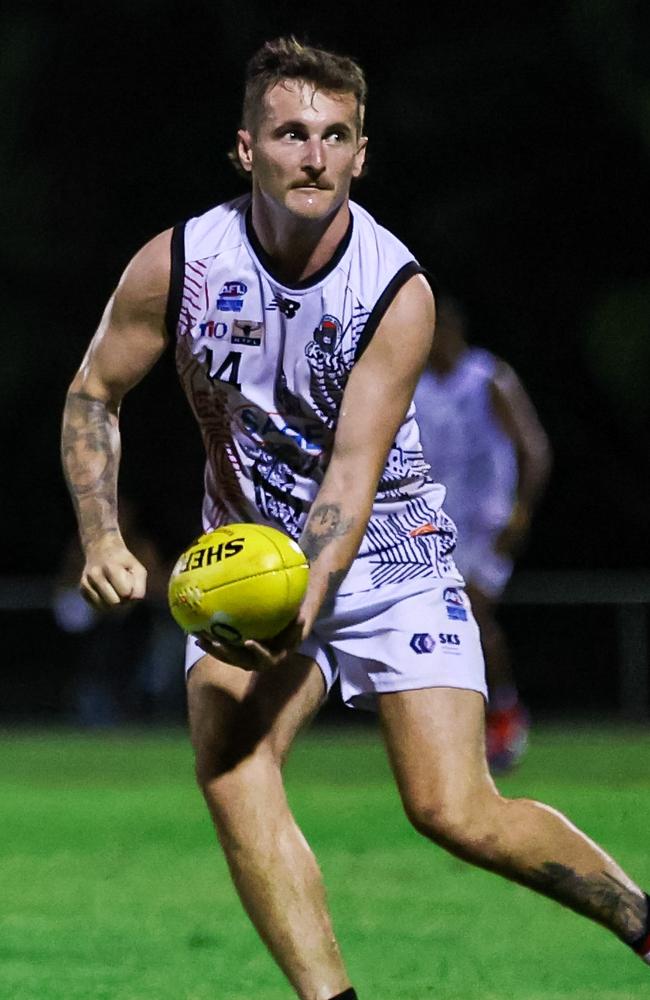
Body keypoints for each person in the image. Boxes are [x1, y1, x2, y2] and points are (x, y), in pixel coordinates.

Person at [60, 35, 650, 1000]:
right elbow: (93, 395)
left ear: (361, 154)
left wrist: (313, 593)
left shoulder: (395, 291)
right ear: (246, 149)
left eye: (336, 136)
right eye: (291, 133)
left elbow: (352, 471)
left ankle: (644, 924)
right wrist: (100, 535)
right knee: (232, 766)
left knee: (454, 811)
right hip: (248, 558)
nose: (314, 155)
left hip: (387, 553)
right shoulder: (179, 264)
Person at [414, 292, 552, 772]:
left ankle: (505, 712)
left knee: (473, 613)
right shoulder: (416, 385)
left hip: (486, 521)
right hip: (433, 523)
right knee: (438, 623)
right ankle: (459, 724)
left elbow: (534, 449)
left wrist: (522, 511)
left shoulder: (487, 378)